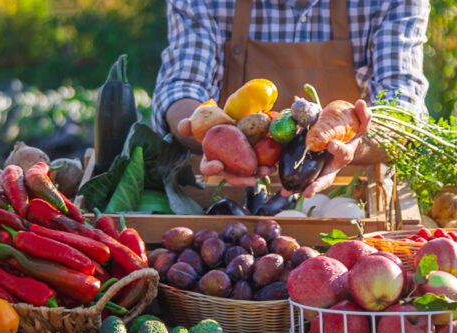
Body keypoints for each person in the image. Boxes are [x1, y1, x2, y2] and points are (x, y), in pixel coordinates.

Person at [152, 0, 430, 196]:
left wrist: (352, 143)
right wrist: (208, 135)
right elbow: (181, 88)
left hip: (351, 199)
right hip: (227, 193)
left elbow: (403, 105)